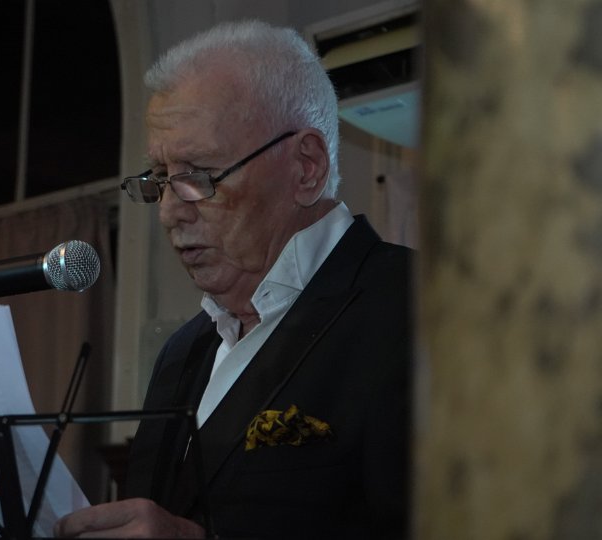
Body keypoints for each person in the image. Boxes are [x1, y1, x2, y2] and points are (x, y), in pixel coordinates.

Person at [55, 19, 412, 539]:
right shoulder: (183, 352)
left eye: (198, 175)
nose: (169, 212)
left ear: (306, 167)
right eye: (160, 179)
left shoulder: (423, 310)